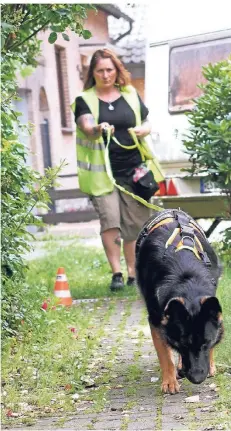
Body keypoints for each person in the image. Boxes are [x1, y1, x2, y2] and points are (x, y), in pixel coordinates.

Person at [72, 48, 154, 292]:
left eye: (110, 69)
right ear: (93, 73)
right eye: (100, 70)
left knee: (134, 225)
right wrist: (97, 128)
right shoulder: (84, 100)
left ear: (117, 70)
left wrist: (144, 130)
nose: (106, 74)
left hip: (134, 169)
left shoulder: (129, 94)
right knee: (111, 222)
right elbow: (86, 126)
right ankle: (116, 272)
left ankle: (133, 273)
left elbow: (147, 120)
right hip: (102, 173)